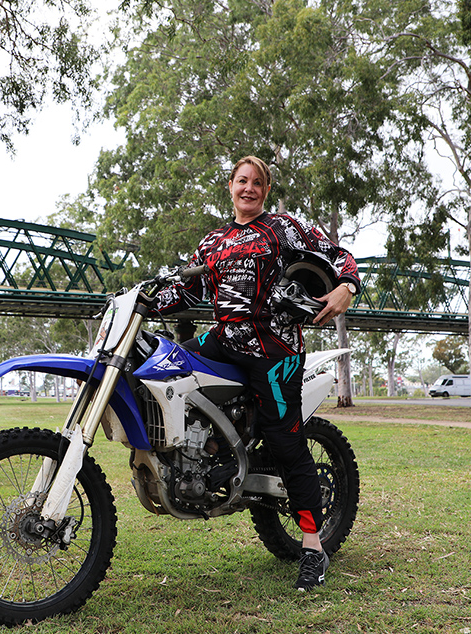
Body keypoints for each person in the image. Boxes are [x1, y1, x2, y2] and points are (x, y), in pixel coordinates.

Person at [154, 155, 360, 591]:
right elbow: (185, 291)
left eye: (257, 183)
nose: (249, 188)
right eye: (242, 180)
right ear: (230, 186)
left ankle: (312, 549)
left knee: (286, 444)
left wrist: (347, 285)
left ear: (265, 191)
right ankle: (208, 451)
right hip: (226, 339)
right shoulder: (213, 242)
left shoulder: (282, 228)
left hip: (276, 349)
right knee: (165, 364)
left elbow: (338, 255)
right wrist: (142, 297)